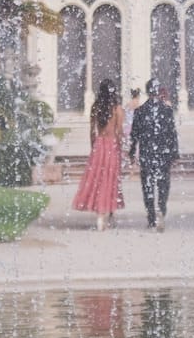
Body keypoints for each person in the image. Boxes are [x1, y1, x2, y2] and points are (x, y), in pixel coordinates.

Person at [127, 78, 180, 229]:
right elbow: (172, 134)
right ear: (157, 91)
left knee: (147, 185)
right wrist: (175, 153)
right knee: (163, 183)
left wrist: (132, 152)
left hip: (146, 153)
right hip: (164, 153)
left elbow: (134, 135)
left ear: (147, 91)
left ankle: (151, 217)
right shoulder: (167, 110)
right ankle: (161, 210)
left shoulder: (140, 111)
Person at [72, 79, 125, 230]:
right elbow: (119, 132)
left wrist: (93, 147)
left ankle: (101, 214)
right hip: (112, 145)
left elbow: (92, 131)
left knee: (99, 179)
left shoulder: (96, 107)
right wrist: (122, 148)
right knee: (110, 179)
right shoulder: (117, 109)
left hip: (99, 145)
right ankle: (107, 212)